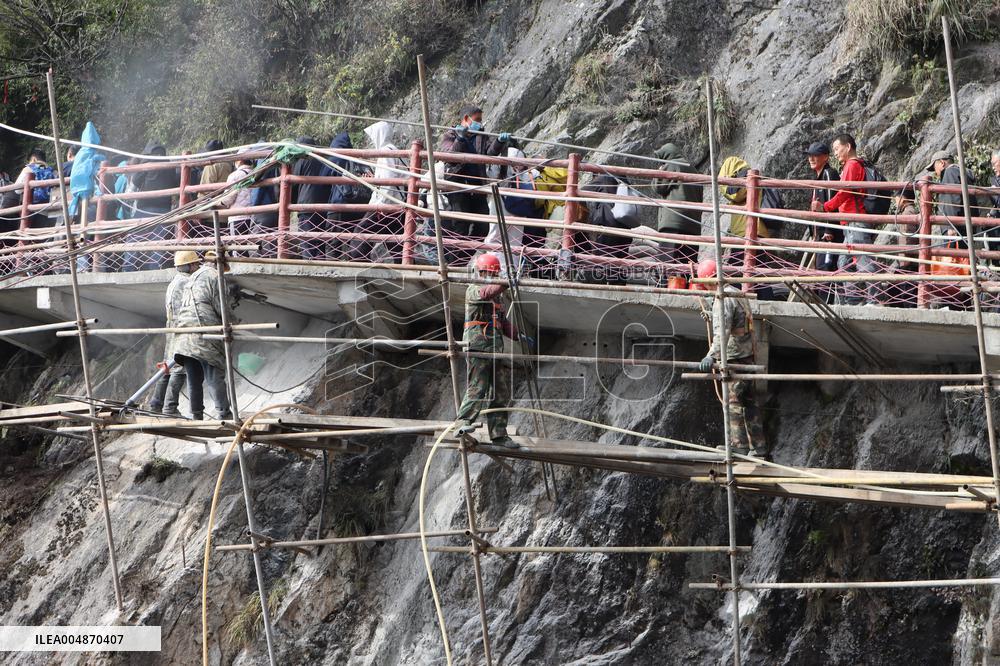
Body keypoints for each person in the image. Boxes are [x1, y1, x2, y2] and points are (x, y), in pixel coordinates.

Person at [455, 253, 534, 448]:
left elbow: (503, 322)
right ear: (481, 272)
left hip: (494, 348)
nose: (491, 276)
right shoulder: (474, 289)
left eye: (494, 274)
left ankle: (499, 435)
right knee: (478, 385)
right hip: (478, 346)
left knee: (500, 391)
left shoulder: (497, 297)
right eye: (490, 273)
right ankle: (463, 421)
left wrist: (517, 335)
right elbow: (486, 293)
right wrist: (507, 282)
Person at [697, 259, 767, 458]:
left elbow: (723, 332)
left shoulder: (723, 299)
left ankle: (739, 445)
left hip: (735, 357)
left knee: (734, 402)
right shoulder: (737, 293)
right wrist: (710, 312)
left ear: (708, 281)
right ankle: (759, 447)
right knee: (750, 402)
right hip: (748, 355)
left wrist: (711, 356)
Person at [811, 134, 875, 304]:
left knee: (863, 262)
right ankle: (853, 301)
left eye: (837, 148)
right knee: (844, 263)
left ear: (848, 147)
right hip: (849, 221)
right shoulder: (851, 165)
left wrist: (825, 207)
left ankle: (875, 300)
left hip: (855, 220)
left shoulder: (852, 165)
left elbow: (843, 193)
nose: (835, 152)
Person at [172, 251, 235, 420]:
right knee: (214, 376)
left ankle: (196, 415)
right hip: (204, 334)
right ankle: (224, 413)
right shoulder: (215, 276)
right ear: (220, 264)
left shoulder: (192, 277)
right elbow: (222, 307)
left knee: (194, 378)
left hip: (184, 335)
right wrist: (233, 323)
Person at [439, 105, 510, 238]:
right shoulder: (451, 134)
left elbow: (490, 152)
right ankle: (457, 252)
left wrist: (499, 142)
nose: (480, 123)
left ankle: (467, 251)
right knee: (461, 226)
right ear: (466, 119)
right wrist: (460, 139)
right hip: (458, 187)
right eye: (477, 120)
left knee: (483, 227)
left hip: (477, 186)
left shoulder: (481, 135)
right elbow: (449, 157)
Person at [148, 251, 198, 415]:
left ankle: (156, 404)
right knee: (179, 368)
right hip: (182, 328)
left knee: (167, 365)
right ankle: (170, 407)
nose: (197, 266)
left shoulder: (174, 281)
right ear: (189, 265)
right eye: (195, 264)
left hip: (172, 327)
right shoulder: (187, 282)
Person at [347, 121, 405, 262]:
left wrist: (381, 206)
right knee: (395, 244)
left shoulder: (385, 153)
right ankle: (408, 268)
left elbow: (389, 182)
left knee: (360, 236)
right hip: (397, 205)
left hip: (385, 206)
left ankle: (359, 267)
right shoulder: (396, 151)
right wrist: (375, 180)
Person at [125, 141, 180, 271]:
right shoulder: (170, 166)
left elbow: (132, 189)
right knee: (158, 242)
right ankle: (154, 269)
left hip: (144, 209)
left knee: (134, 240)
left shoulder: (146, 164)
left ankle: (128, 268)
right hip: (164, 210)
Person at [652, 142, 702, 268]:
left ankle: (666, 281)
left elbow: (658, 187)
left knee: (666, 264)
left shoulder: (672, 164)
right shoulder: (694, 170)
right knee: (687, 265)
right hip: (693, 225)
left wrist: (659, 171)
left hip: (673, 223)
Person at [325, 131, 370, 260]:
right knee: (355, 243)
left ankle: (332, 269)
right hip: (360, 208)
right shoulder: (359, 160)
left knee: (333, 244)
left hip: (340, 206)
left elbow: (325, 175)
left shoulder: (335, 157)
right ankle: (357, 268)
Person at [291, 136, 332, 259]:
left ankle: (309, 264)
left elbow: (293, 183)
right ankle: (320, 264)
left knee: (307, 241)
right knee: (320, 241)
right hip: (323, 207)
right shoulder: (324, 160)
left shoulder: (302, 159)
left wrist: (293, 203)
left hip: (306, 206)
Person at [804, 142, 841, 272]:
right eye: (809, 155)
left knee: (826, 269)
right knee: (822, 269)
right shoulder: (818, 178)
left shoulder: (829, 174)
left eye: (815, 155)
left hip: (828, 235)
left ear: (825, 157)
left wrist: (829, 229)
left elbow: (834, 201)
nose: (811, 159)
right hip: (820, 235)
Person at [14, 147, 56, 229]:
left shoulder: (28, 169)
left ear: (33, 159)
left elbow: (17, 190)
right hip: (50, 210)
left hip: (32, 210)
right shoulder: (53, 171)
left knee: (28, 234)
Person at [220, 152, 255, 238]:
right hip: (253, 217)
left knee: (237, 244)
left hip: (238, 217)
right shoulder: (255, 173)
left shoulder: (234, 175)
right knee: (251, 244)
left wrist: (220, 202)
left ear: (240, 160)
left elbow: (228, 199)